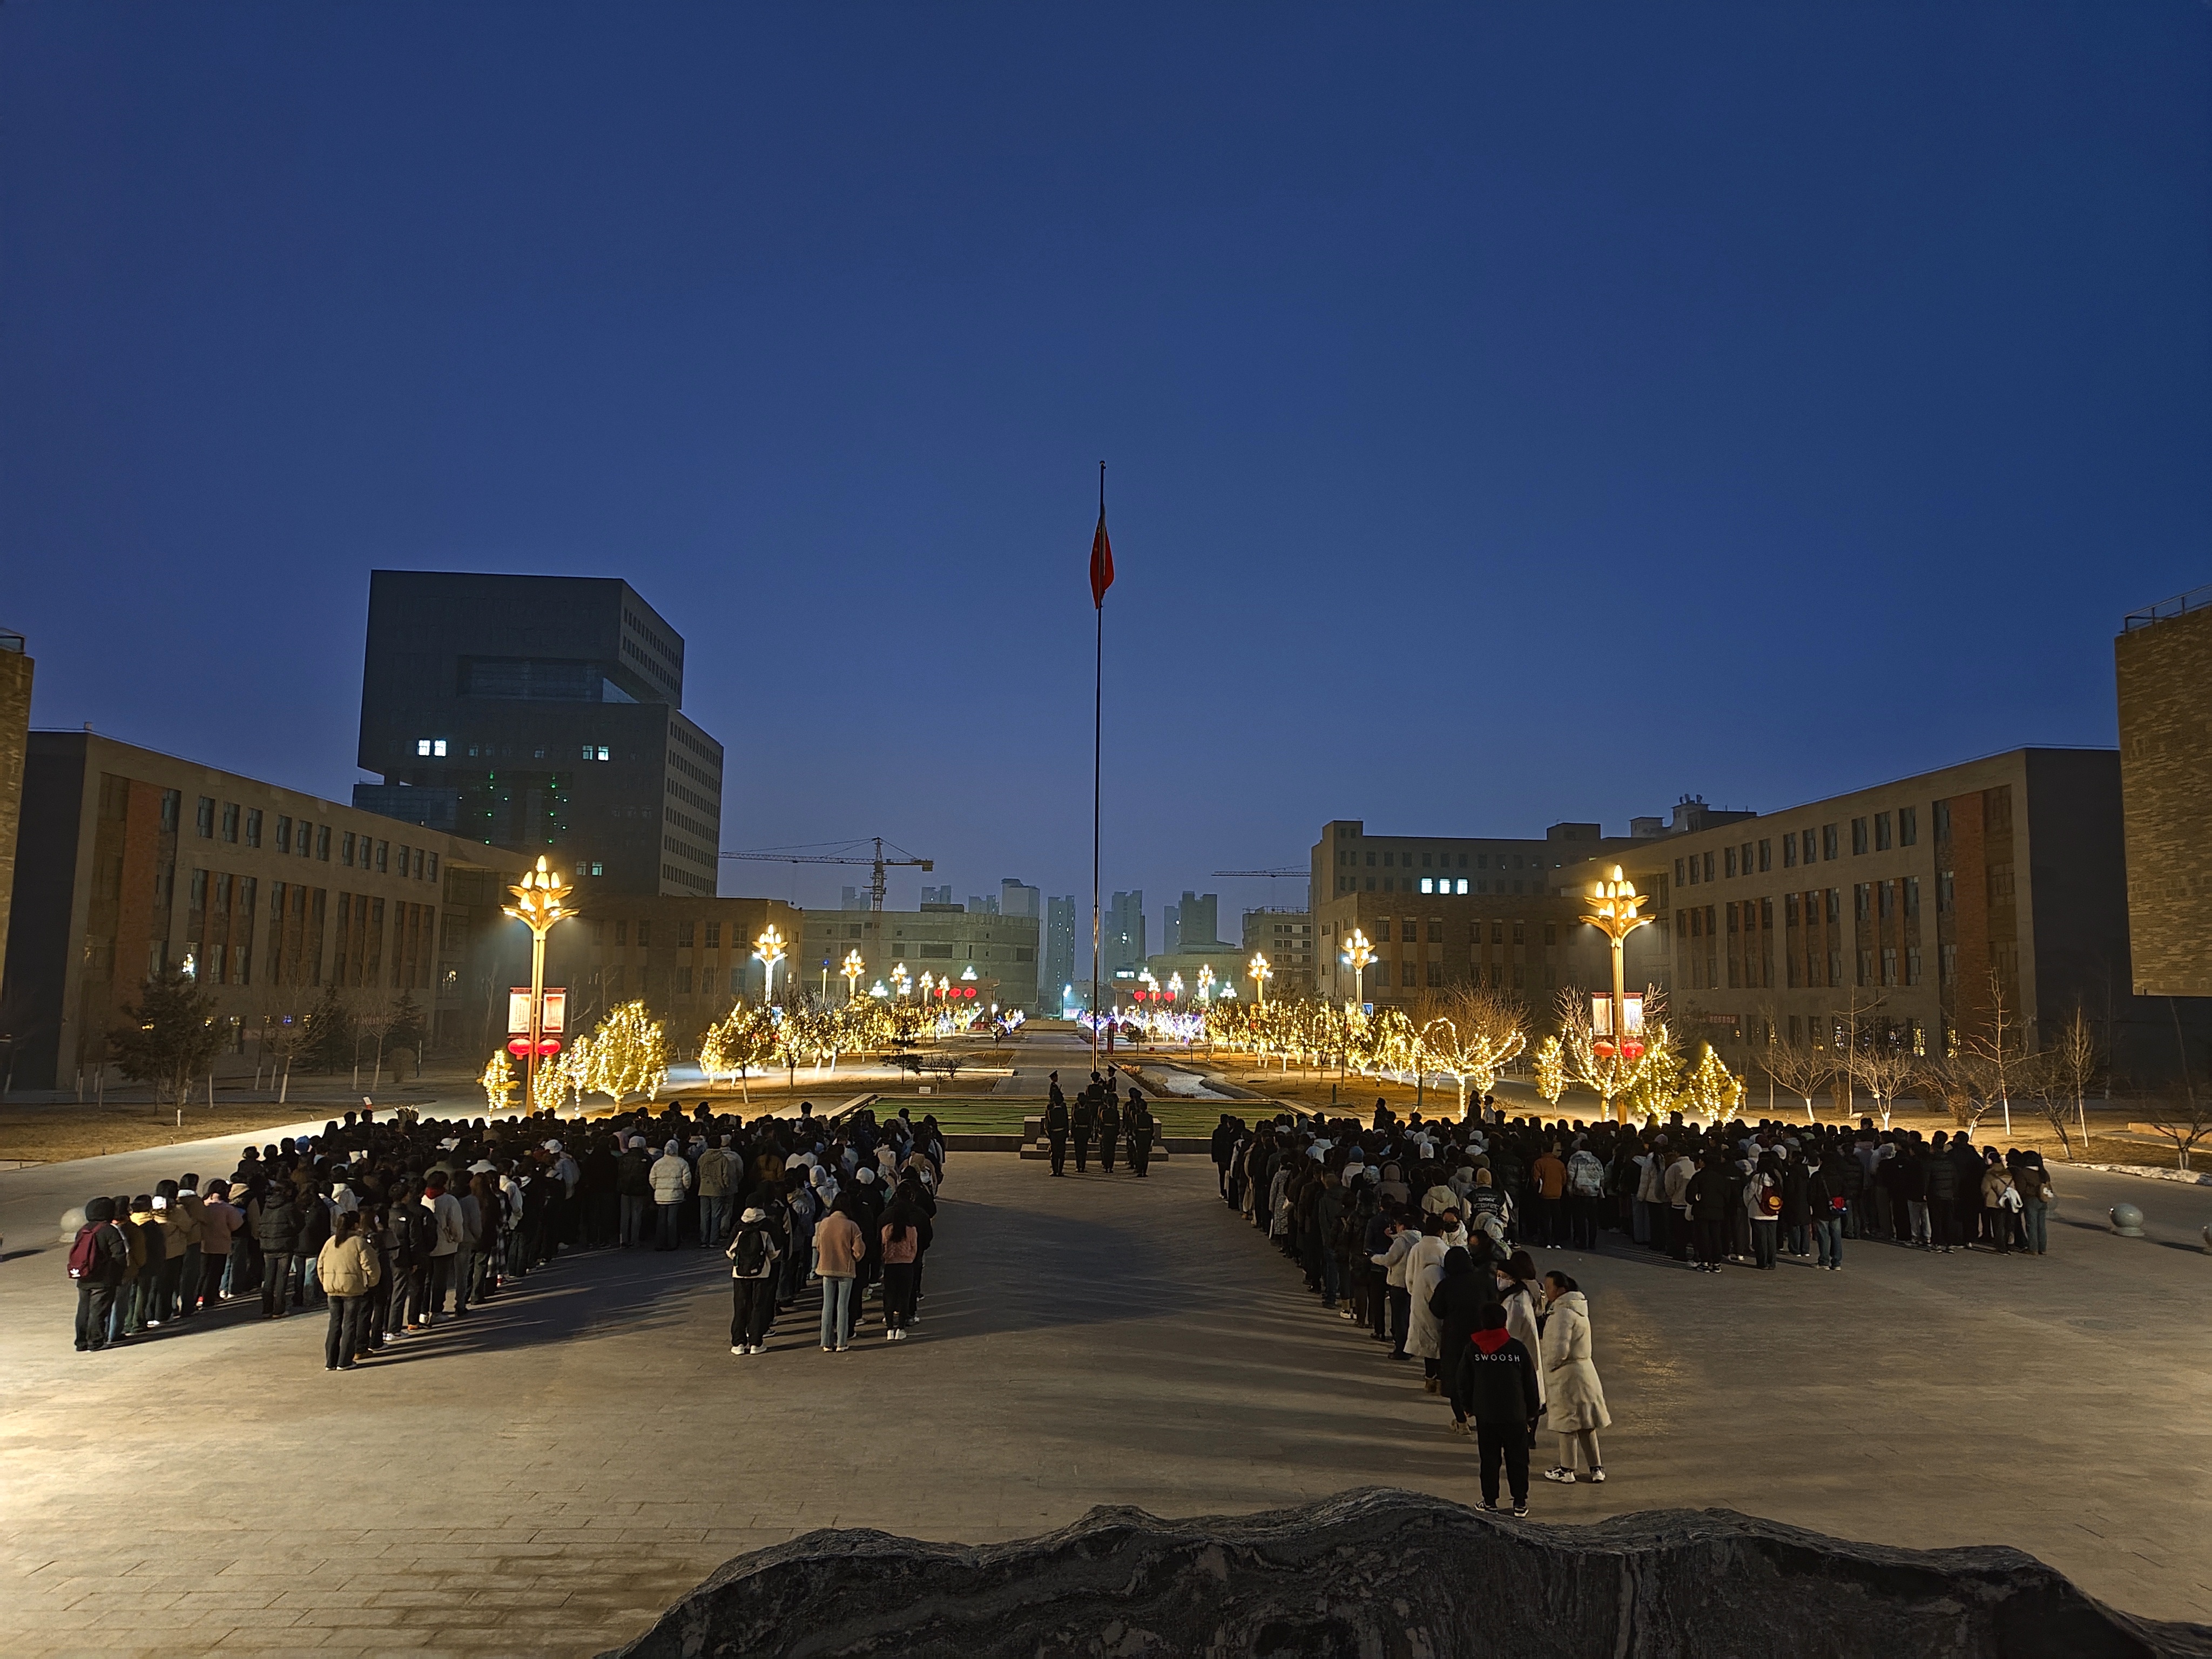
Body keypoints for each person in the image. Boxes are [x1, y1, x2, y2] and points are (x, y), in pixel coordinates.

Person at [1462, 1304, 1543, 1517]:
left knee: (1489, 1460)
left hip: (1486, 1415)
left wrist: (1468, 1407)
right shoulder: (1517, 1349)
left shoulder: (1473, 1349)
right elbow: (1529, 1382)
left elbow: (1464, 1380)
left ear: (1482, 1323)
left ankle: (1490, 1501)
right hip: (1515, 1414)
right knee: (1518, 1459)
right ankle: (1520, 1503)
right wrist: (1532, 1411)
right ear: (1504, 1322)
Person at [1539, 1272, 1610, 1485]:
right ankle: (1596, 1468)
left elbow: (1559, 1350)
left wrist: (1549, 1367)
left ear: (1561, 1290)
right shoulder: (1579, 1311)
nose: (1546, 1291)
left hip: (1567, 1376)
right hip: (1586, 1373)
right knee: (1587, 1423)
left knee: (1567, 1423)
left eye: (1549, 1287)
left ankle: (1567, 1469)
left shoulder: (1562, 1314)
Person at [1426, 1245, 1487, 1433]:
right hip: (1482, 1338)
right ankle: (1482, 1421)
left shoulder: (1447, 1285)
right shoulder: (1483, 1281)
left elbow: (1436, 1309)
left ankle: (1461, 1422)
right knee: (1479, 1380)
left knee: (1455, 1379)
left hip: (1454, 1338)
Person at [317, 1212, 381, 1371]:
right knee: (350, 1324)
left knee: (334, 1324)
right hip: (352, 1289)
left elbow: (320, 1265)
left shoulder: (331, 1242)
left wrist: (326, 1282)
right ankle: (345, 1361)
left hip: (332, 1289)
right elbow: (371, 1267)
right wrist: (369, 1284)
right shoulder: (359, 1242)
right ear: (355, 1225)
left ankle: (331, 1361)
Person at [69, 1197, 129, 1352]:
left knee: (83, 1310)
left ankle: (81, 1342)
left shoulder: (83, 1230)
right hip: (103, 1279)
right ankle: (95, 1342)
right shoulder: (109, 1230)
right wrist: (119, 1274)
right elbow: (119, 1255)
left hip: (84, 1276)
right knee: (98, 1311)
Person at [726, 1205, 782, 1355]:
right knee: (758, 1307)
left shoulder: (739, 1225)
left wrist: (741, 1262)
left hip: (740, 1274)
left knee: (741, 1307)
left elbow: (729, 1250)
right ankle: (756, 1343)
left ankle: (738, 1343)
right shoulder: (767, 1225)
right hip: (762, 1273)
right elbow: (775, 1251)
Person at [879, 1184, 930, 1340]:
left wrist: (885, 1259)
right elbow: (916, 1247)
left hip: (890, 1264)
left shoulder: (887, 1227)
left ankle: (889, 1327)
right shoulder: (913, 1227)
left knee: (889, 1295)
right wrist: (911, 1258)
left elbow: (882, 1245)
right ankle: (902, 1325)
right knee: (906, 1295)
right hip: (908, 1264)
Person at [813, 1201, 863, 1352]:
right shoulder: (852, 1226)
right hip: (845, 1269)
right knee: (843, 1307)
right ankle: (841, 1342)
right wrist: (854, 1258)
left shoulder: (824, 1224)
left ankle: (826, 1342)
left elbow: (818, 1246)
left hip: (826, 1268)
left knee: (827, 1306)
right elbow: (858, 1250)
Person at [649, 1140, 692, 1251]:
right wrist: (684, 1189)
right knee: (672, 1220)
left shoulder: (658, 1163)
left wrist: (657, 1188)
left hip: (661, 1195)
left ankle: (660, 1243)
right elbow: (687, 1180)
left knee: (661, 1220)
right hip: (675, 1195)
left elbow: (652, 1179)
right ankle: (672, 1243)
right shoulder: (682, 1163)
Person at [1045, 1078, 1070, 1177]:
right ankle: (1060, 1170)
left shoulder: (1051, 1112)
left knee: (1054, 1153)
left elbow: (1048, 1124)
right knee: (1061, 1153)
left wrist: (1048, 1133)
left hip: (1054, 1134)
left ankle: (1055, 1170)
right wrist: (1067, 1133)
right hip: (1062, 1133)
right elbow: (1066, 1122)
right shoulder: (1063, 1110)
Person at [1127, 1090, 1155, 1178]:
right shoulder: (1150, 1116)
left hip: (1140, 1136)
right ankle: (1144, 1171)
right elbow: (1152, 1128)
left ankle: (1140, 1170)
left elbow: (1135, 1126)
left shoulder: (1137, 1116)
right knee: (1145, 1154)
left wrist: (1133, 1135)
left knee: (1140, 1153)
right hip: (1147, 1136)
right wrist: (1151, 1137)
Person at [1071, 1089, 1097, 1174]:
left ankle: (1079, 1166)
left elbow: (1073, 1121)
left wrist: (1072, 1131)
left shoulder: (1076, 1109)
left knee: (1078, 1150)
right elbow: (1090, 1122)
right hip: (1084, 1131)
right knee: (1083, 1150)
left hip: (1078, 1130)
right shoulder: (1087, 1109)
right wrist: (1090, 1132)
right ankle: (1082, 1166)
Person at [1097, 1087, 1122, 1174]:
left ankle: (1106, 1165)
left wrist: (1100, 1132)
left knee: (1105, 1150)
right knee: (1112, 1150)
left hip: (1106, 1132)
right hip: (1113, 1132)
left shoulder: (1104, 1112)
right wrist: (1118, 1133)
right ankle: (1110, 1167)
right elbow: (1118, 1124)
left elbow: (1101, 1123)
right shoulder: (1116, 1112)